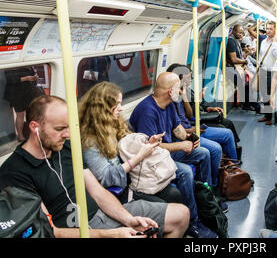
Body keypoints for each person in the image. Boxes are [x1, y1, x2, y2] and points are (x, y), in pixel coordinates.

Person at [0, 95, 189, 238]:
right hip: (76, 232)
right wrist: (111, 234)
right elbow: (51, 231)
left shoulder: (67, 147)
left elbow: (97, 191)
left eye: (68, 127)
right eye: (59, 129)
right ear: (35, 127)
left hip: (102, 215)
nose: (67, 134)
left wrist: (129, 220)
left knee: (181, 214)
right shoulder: (15, 172)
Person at [129, 72, 217, 238]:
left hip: (167, 153)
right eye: (179, 88)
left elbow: (178, 130)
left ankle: (207, 200)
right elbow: (150, 148)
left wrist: (190, 138)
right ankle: (193, 222)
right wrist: (181, 145)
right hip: (153, 160)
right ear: (170, 92)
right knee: (185, 172)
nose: (182, 91)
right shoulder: (147, 111)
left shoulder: (169, 105)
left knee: (204, 153)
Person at [78, 82, 182, 204]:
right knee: (167, 202)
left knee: (175, 194)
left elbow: (127, 148)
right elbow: (106, 178)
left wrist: (147, 143)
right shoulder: (90, 142)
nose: (121, 108)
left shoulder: (115, 124)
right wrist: (139, 157)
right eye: (116, 104)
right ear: (103, 108)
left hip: (134, 178)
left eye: (120, 103)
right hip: (119, 191)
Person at [166, 64, 237, 193]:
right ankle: (215, 184)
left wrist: (185, 97)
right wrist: (193, 130)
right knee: (215, 149)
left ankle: (234, 171)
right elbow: (177, 129)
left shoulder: (184, 92)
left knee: (227, 133)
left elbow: (189, 115)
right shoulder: (170, 101)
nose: (190, 80)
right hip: (188, 132)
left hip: (193, 127)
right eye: (187, 78)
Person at [3, 66, 45, 141]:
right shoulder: (11, 67)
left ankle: (33, 133)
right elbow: (9, 79)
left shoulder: (28, 66)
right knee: (20, 115)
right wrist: (27, 78)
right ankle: (20, 136)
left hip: (29, 91)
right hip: (17, 93)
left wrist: (34, 77)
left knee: (32, 113)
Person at [257, 21, 277, 125]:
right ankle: (267, 115)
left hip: (273, 72)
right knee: (264, 93)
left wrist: (274, 43)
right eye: (267, 28)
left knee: (271, 94)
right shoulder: (264, 41)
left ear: (275, 30)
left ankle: (275, 118)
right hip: (263, 70)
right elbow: (261, 55)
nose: (268, 31)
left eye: (271, 29)